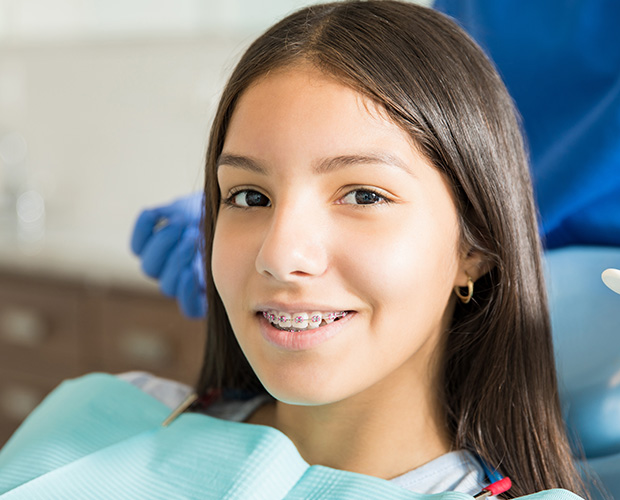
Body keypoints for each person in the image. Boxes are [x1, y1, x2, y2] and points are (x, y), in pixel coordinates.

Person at [127, 1, 587, 497]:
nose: (280, 256)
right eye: (249, 196)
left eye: (364, 195)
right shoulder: (117, 412)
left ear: (473, 248)